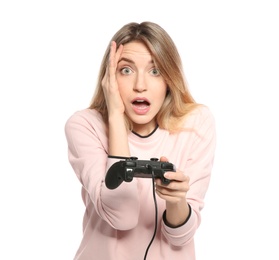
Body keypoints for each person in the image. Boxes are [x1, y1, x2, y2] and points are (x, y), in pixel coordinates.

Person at [65, 21, 216, 260]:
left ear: (169, 79)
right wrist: (115, 116)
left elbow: (180, 237)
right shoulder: (84, 126)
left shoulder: (196, 124)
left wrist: (177, 201)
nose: (140, 86)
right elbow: (121, 217)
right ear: (109, 78)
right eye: (126, 70)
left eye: (155, 71)